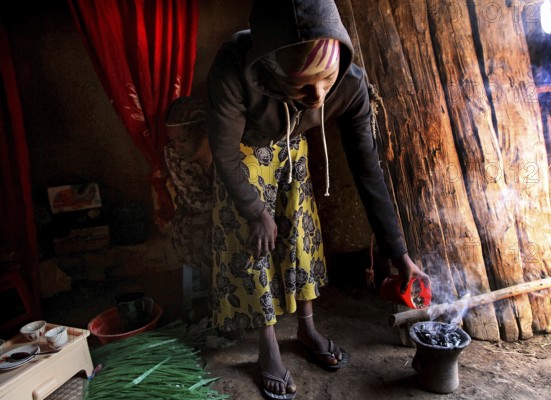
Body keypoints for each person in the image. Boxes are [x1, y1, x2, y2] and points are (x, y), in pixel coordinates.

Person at [206, 1, 430, 398]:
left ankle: (307, 328)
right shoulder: (234, 66)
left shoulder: (349, 82)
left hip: (291, 144)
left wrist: (400, 256)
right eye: (302, 85)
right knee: (257, 240)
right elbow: (223, 151)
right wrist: (255, 211)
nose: (319, 95)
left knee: (302, 233)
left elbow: (369, 171)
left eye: (325, 80)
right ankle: (268, 344)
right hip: (243, 152)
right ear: (272, 71)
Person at [164, 96, 214, 321]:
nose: (177, 146)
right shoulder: (174, 155)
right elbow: (196, 200)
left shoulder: (226, 150)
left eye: (182, 139)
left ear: (202, 133)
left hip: (225, 214)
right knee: (200, 230)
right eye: (172, 141)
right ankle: (213, 298)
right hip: (196, 217)